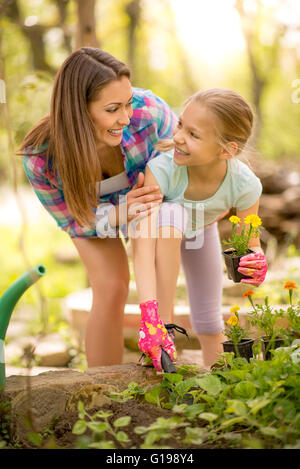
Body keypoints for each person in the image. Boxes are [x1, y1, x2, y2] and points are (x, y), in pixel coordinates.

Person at [130, 88, 268, 371]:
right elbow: (143, 247)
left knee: (208, 318)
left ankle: (218, 384)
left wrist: (255, 261)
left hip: (201, 233)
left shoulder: (245, 185)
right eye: (181, 125)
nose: (178, 136)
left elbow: (250, 240)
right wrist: (151, 315)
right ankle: (163, 331)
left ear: (227, 150)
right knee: (171, 212)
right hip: (158, 235)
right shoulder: (163, 169)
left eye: (193, 134)